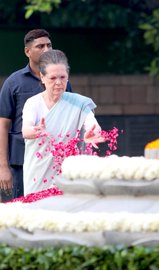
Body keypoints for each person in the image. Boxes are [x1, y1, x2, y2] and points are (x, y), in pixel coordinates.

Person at [0, 29, 72, 200]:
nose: (47, 49)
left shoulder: (61, 82)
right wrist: (3, 166)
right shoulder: (13, 82)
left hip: (54, 162)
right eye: (40, 46)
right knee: (23, 215)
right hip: (21, 163)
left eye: (49, 45)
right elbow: (3, 125)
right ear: (27, 51)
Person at [22, 49, 104, 195]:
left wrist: (93, 132)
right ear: (42, 77)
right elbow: (26, 130)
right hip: (37, 175)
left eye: (63, 77)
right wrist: (37, 131)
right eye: (53, 78)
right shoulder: (33, 103)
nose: (59, 83)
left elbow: (91, 123)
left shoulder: (78, 103)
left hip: (68, 177)